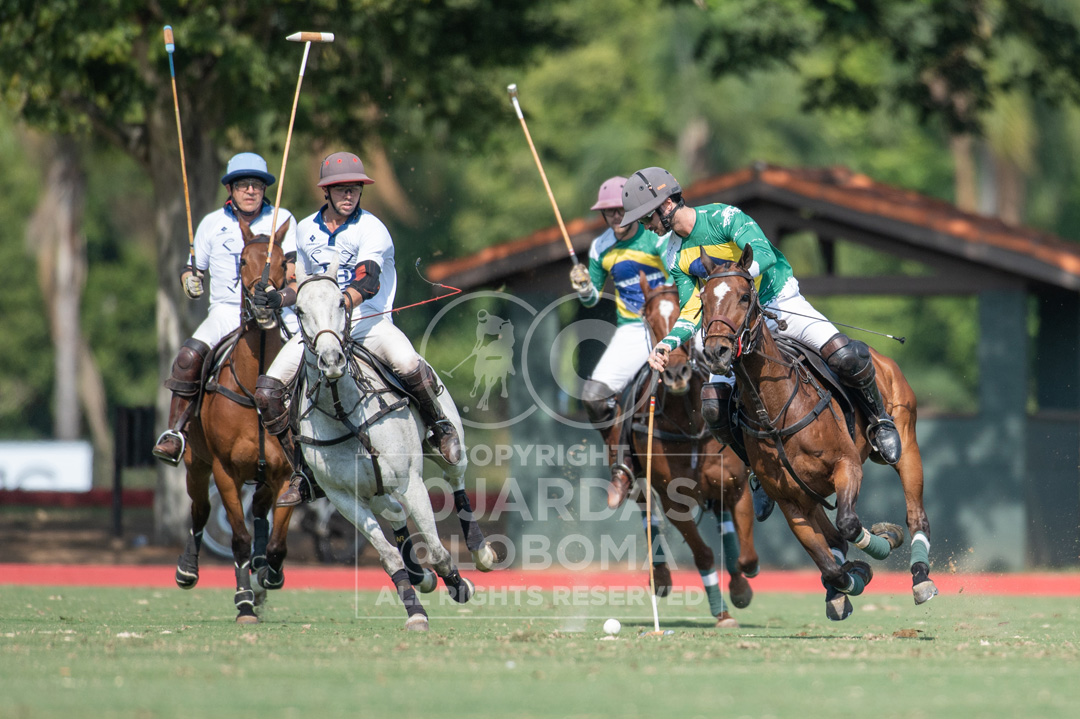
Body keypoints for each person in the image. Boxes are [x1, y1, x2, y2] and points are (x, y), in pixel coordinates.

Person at [623, 166, 903, 520]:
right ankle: (757, 469)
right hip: (730, 324)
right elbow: (692, 306)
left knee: (844, 355)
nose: (645, 226)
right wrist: (667, 343)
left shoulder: (725, 217)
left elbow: (765, 254)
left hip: (778, 300)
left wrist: (733, 283)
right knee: (712, 404)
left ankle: (878, 422)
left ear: (664, 206)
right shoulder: (674, 254)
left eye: (646, 217)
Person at [253, 151, 463, 507]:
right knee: (268, 393)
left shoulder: (372, 228)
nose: (348, 195)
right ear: (327, 193)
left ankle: (439, 428)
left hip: (369, 324)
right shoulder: (304, 229)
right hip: (319, 334)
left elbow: (369, 281)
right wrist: (278, 299)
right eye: (340, 189)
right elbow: (299, 283)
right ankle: (304, 471)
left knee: (409, 362)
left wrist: (337, 304)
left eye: (353, 188)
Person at [152, 152, 298, 465]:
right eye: (242, 184)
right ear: (230, 189)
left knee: (312, 355)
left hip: (275, 312)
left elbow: (295, 271)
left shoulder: (281, 220)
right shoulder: (211, 224)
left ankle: (313, 436)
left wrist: (279, 297)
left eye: (256, 185)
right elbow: (193, 267)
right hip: (225, 312)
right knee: (187, 357)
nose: (250, 191)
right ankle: (175, 432)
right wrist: (189, 280)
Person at [570, 176, 672, 509]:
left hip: (673, 323)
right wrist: (584, 287)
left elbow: (680, 280)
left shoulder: (657, 238)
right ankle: (623, 467)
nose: (615, 217)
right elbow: (590, 299)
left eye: (620, 210)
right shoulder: (600, 247)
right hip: (632, 330)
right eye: (608, 212)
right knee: (594, 397)